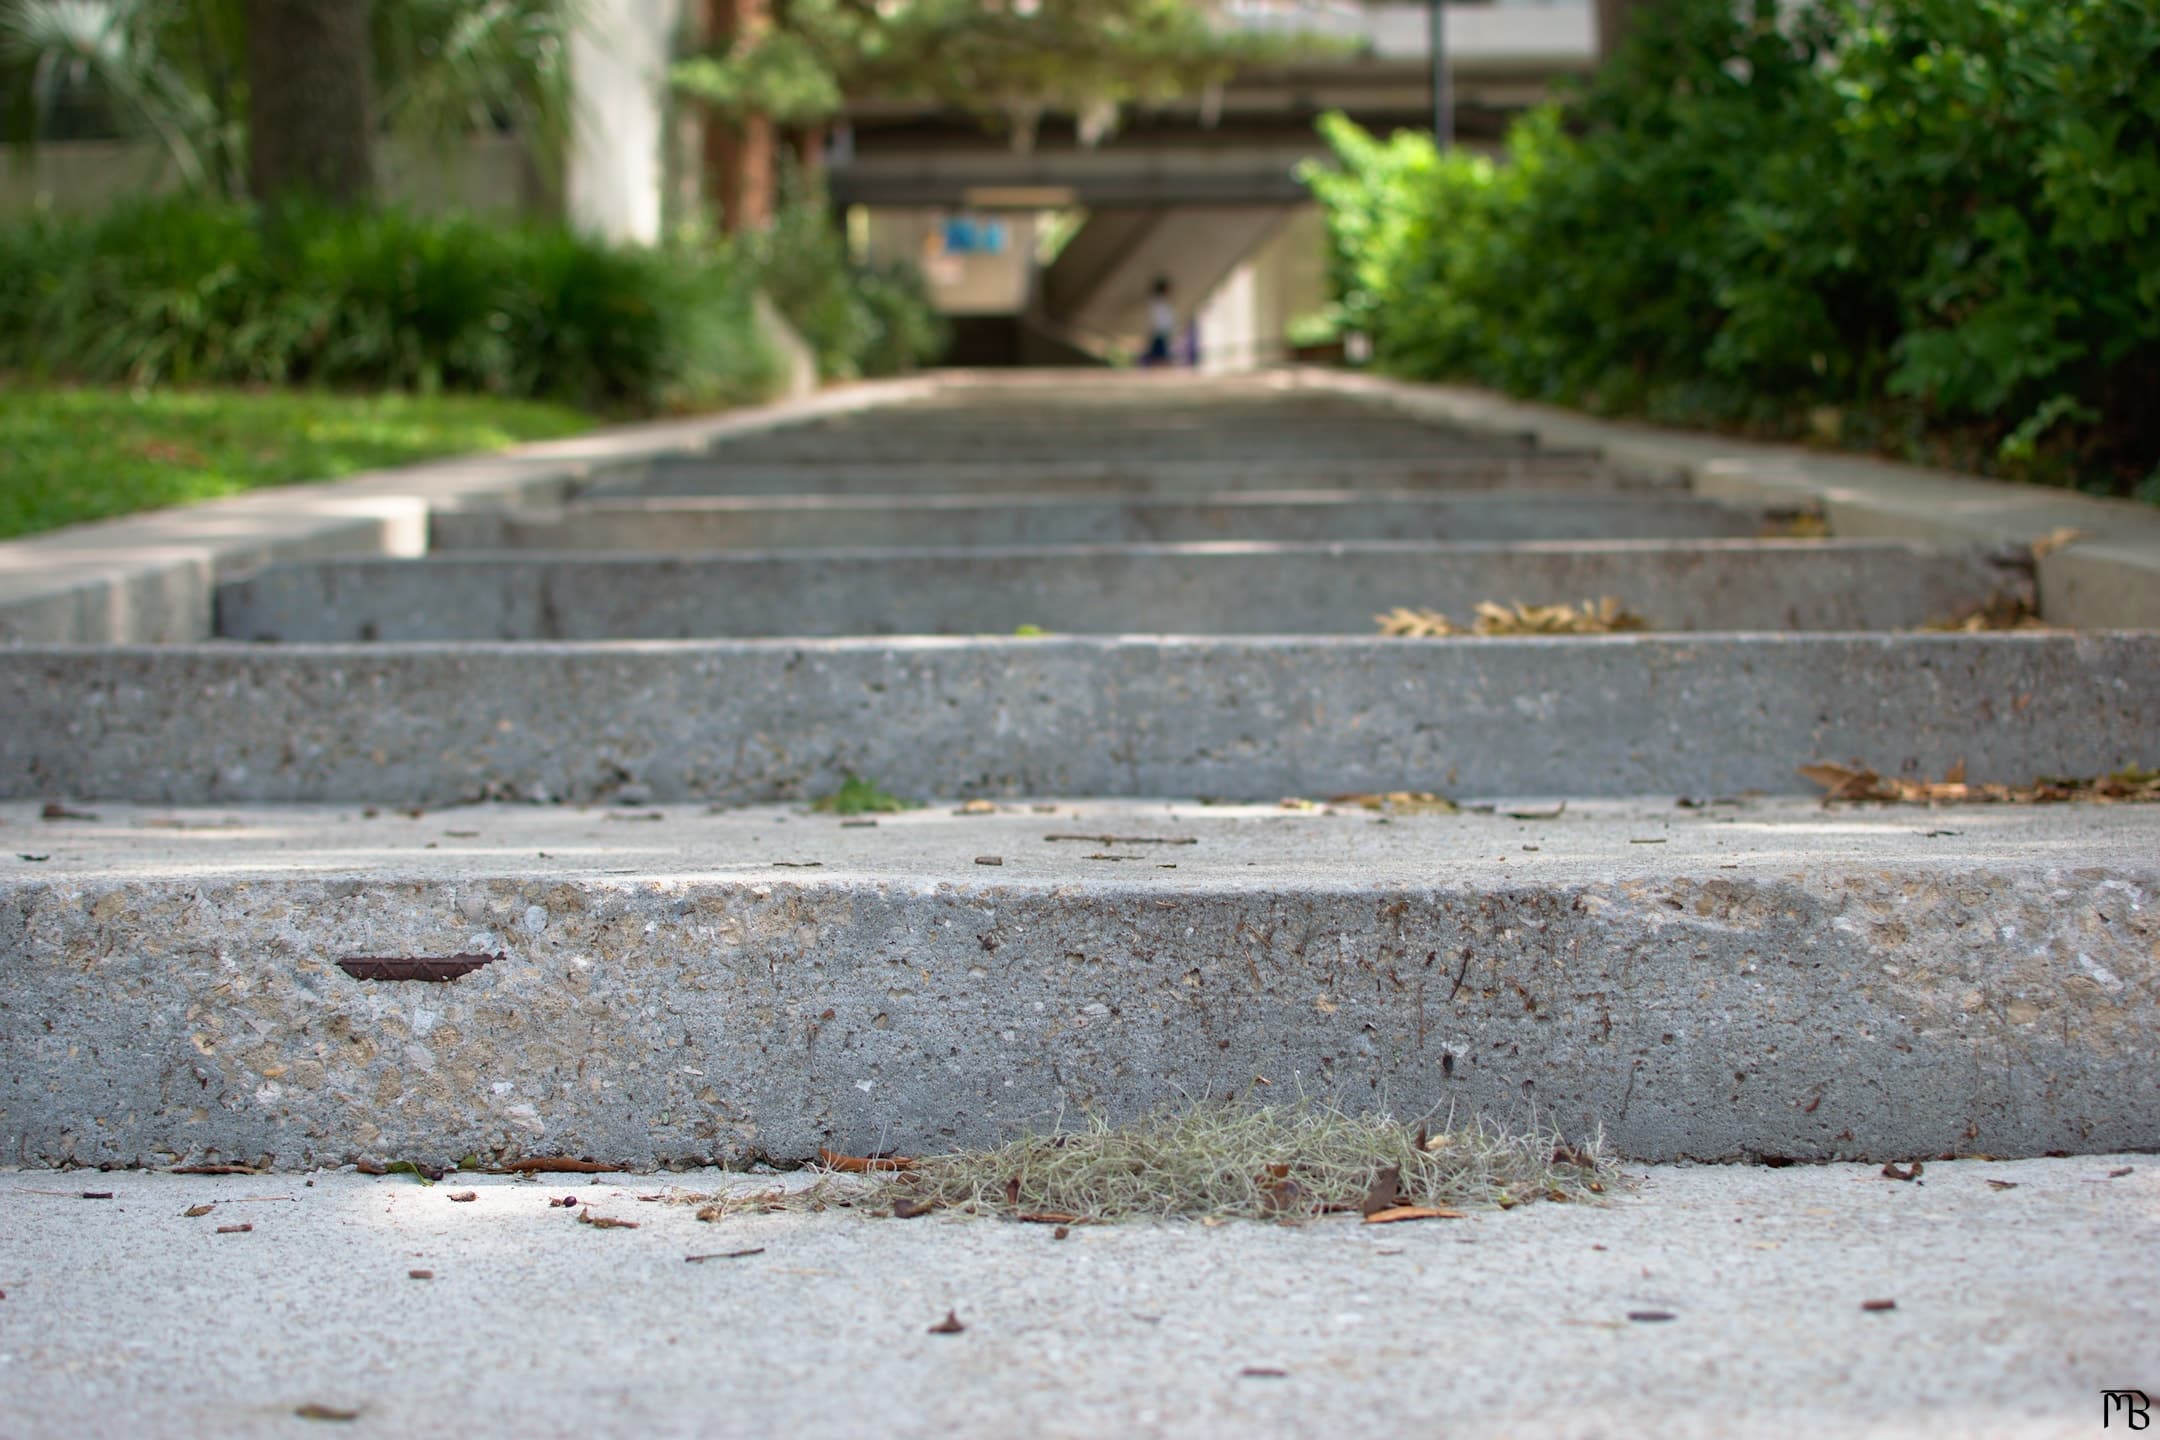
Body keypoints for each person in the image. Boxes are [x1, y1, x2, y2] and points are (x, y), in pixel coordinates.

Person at [1143, 277, 1175, 367]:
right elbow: (1157, 319)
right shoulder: (1157, 302)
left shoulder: (1162, 302)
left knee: (1159, 356)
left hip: (1162, 331)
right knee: (1159, 357)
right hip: (1159, 332)